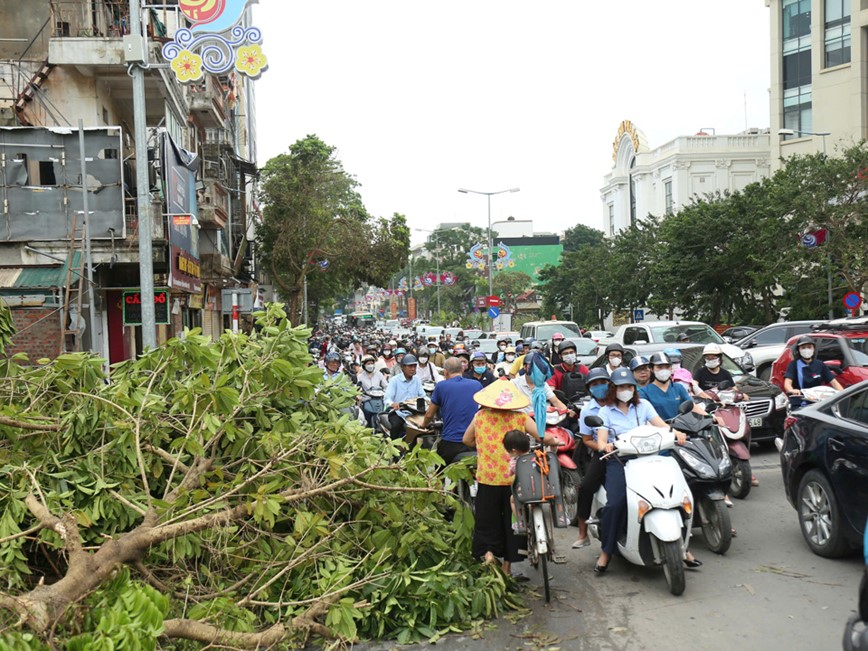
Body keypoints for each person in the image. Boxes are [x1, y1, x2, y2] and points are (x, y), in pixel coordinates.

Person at [593, 368, 687, 574]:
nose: (625, 390)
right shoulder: (605, 411)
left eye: (628, 386)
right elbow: (601, 438)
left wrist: (676, 433)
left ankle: (682, 545)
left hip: (647, 458)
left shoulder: (643, 405)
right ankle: (607, 550)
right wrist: (605, 446)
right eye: (620, 387)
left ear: (634, 389)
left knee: (675, 494)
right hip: (619, 460)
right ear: (613, 389)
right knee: (616, 503)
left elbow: (661, 425)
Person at [462, 380, 557, 576]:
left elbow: (466, 440)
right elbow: (542, 436)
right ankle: (507, 567)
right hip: (516, 480)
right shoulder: (520, 417)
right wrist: (554, 440)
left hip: (488, 479)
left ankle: (488, 554)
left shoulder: (480, 416)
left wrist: (484, 447)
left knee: (487, 520)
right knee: (515, 522)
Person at [573, 368, 611, 549]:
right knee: (586, 487)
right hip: (604, 453)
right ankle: (582, 533)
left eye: (603, 383)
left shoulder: (620, 402)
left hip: (633, 450)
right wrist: (605, 447)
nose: (600, 387)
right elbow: (587, 440)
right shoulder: (587, 411)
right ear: (589, 388)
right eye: (595, 385)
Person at [421, 357, 481, 464]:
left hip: (451, 441)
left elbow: (430, 414)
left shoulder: (441, 386)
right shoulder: (476, 385)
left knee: (439, 472)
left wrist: (423, 425)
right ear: (462, 370)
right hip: (473, 441)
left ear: (445, 372)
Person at [783, 335, 843, 406]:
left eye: (809, 347)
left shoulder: (820, 364)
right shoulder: (793, 365)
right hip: (800, 402)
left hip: (817, 402)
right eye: (803, 348)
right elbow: (787, 383)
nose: (806, 350)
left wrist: (843, 394)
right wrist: (791, 390)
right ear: (798, 350)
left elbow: (834, 383)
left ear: (814, 348)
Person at [639, 352, 692, 421]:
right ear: (651, 369)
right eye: (659, 367)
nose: (664, 370)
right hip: (659, 430)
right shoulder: (644, 392)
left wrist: (708, 416)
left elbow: (692, 406)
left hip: (681, 427)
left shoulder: (678, 388)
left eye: (667, 367)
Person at [384, 354, 425, 441]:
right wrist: (393, 404)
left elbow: (423, 395)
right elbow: (387, 398)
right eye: (410, 366)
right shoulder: (394, 380)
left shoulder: (417, 379)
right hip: (399, 412)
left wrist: (432, 402)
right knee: (396, 426)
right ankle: (393, 449)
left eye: (414, 366)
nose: (413, 369)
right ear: (403, 367)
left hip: (414, 413)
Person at [503, 429, 531, 532]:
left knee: (512, 500)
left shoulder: (515, 463)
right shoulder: (536, 457)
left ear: (514, 451)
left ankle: (520, 521)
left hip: (524, 492)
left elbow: (509, 474)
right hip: (543, 489)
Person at [357, 355, 388, 427]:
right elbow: (357, 388)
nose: (370, 365)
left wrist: (385, 393)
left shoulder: (379, 374)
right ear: (364, 365)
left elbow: (386, 386)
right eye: (368, 364)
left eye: (372, 363)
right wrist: (358, 395)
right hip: (367, 400)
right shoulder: (360, 377)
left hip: (379, 399)